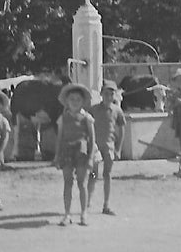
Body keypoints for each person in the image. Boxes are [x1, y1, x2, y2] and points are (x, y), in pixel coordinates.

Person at [53, 84, 96, 227]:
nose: (75, 102)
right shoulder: (62, 118)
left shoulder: (87, 118)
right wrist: (57, 155)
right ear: (67, 101)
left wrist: (90, 158)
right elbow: (59, 137)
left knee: (82, 183)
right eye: (72, 99)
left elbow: (92, 138)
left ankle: (84, 213)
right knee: (67, 183)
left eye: (78, 99)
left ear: (83, 102)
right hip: (67, 152)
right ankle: (67, 214)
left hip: (82, 153)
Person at [87, 80, 128, 216]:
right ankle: (87, 202)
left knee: (107, 175)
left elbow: (122, 129)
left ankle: (106, 204)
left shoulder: (117, 110)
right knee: (93, 175)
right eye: (106, 94)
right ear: (101, 94)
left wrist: (118, 148)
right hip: (95, 148)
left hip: (109, 147)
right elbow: (86, 126)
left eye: (111, 94)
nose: (108, 97)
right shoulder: (93, 110)